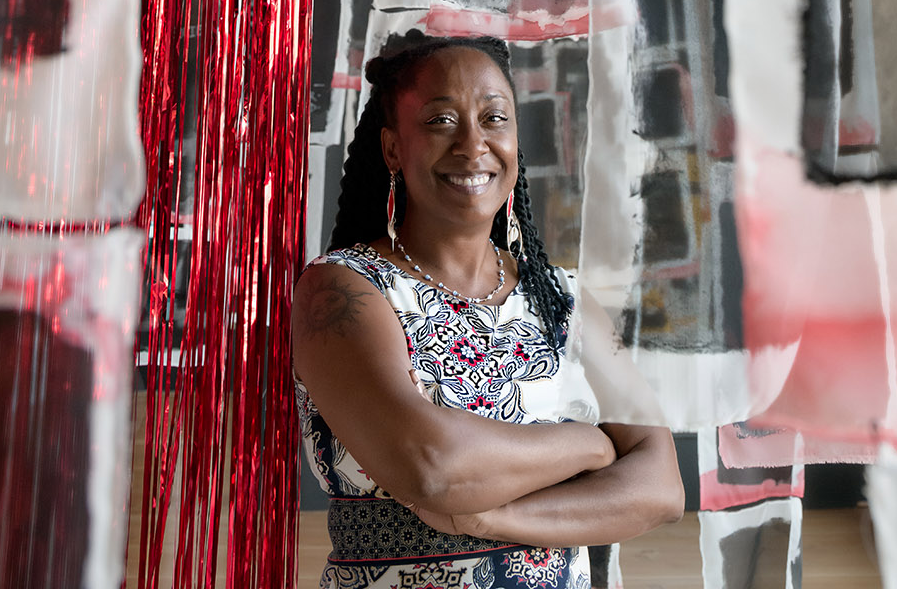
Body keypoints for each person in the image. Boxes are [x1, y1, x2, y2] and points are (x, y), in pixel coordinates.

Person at [293, 33, 685, 589]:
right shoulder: (343, 289)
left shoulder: (563, 298)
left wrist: (492, 517)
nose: (473, 145)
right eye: (440, 121)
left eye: (494, 118)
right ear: (392, 149)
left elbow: (661, 487)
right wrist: (588, 444)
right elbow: (431, 464)